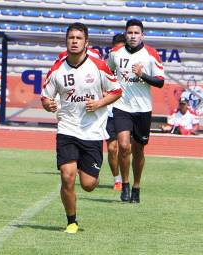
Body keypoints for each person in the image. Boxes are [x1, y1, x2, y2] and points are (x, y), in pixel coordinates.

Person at [41, 22, 122, 234]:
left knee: (88, 184)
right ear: (66, 41)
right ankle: (71, 222)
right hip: (67, 129)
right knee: (67, 176)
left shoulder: (98, 66)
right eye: (71, 38)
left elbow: (116, 91)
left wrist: (99, 103)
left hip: (92, 131)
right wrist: (48, 104)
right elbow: (45, 97)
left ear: (86, 42)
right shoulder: (57, 69)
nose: (74, 41)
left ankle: (82, 166)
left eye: (78, 38)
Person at [107, 19, 165, 203]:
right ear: (125, 34)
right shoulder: (115, 53)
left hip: (143, 109)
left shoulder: (151, 54)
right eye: (130, 33)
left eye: (136, 33)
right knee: (123, 146)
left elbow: (160, 82)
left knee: (139, 149)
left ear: (142, 35)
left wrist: (142, 75)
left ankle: (136, 186)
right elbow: (107, 73)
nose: (133, 36)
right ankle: (124, 184)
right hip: (121, 106)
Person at [106, 33, 126, 191]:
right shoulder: (106, 64)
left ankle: (126, 179)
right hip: (109, 111)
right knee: (112, 148)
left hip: (127, 110)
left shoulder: (130, 64)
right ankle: (117, 179)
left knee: (126, 147)